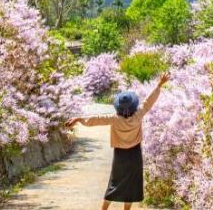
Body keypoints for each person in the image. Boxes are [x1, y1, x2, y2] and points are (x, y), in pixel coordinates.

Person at [65, 72, 170, 210]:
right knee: (131, 185)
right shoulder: (138, 115)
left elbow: (95, 120)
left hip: (119, 154)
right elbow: (149, 101)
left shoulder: (114, 119)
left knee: (114, 183)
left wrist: (78, 119)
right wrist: (160, 84)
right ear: (133, 106)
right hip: (134, 154)